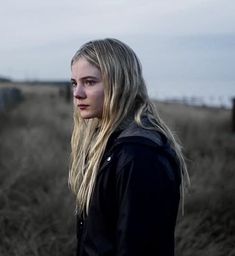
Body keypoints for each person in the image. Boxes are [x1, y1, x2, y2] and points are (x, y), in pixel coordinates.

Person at [69, 38, 189, 256]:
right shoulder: (106, 142)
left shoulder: (139, 156)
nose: (77, 94)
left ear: (120, 83)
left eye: (89, 82)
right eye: (74, 83)